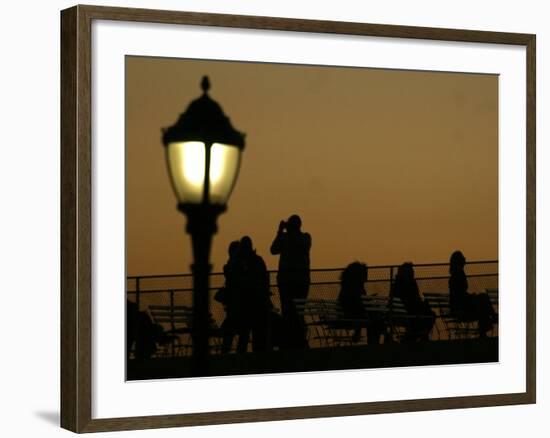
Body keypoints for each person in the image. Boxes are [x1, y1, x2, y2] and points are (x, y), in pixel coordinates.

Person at [270, 214, 311, 349]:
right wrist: (281, 232)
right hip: (293, 281)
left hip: (293, 282)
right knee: (290, 312)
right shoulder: (297, 238)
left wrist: (281, 232)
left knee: (294, 312)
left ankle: (296, 341)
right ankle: (292, 341)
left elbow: (275, 249)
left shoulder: (304, 237)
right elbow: (273, 250)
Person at [236, 236, 273, 353]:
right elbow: (265, 279)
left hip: (248, 304)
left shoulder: (240, 264)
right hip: (259, 303)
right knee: (259, 335)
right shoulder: (258, 261)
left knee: (245, 335)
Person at [448, 250, 497, 337]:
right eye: (463, 259)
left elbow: (460, 294)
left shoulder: (458, 275)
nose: (464, 262)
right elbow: (459, 296)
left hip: (463, 305)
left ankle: (487, 325)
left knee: (482, 301)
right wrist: (470, 297)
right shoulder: (457, 276)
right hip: (461, 308)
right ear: (459, 262)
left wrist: (470, 296)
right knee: (482, 300)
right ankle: (492, 318)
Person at [391, 262, 435, 342]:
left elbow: (415, 298)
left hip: (409, 311)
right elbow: (410, 300)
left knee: (428, 313)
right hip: (407, 312)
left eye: (412, 272)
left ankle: (418, 334)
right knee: (427, 313)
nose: (412, 273)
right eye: (410, 272)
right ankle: (420, 334)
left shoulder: (406, 284)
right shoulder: (400, 285)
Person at [215, 240, 242, 353]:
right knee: (236, 332)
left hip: (233, 308)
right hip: (237, 308)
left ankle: (226, 354)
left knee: (229, 334)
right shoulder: (235, 268)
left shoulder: (229, 267)